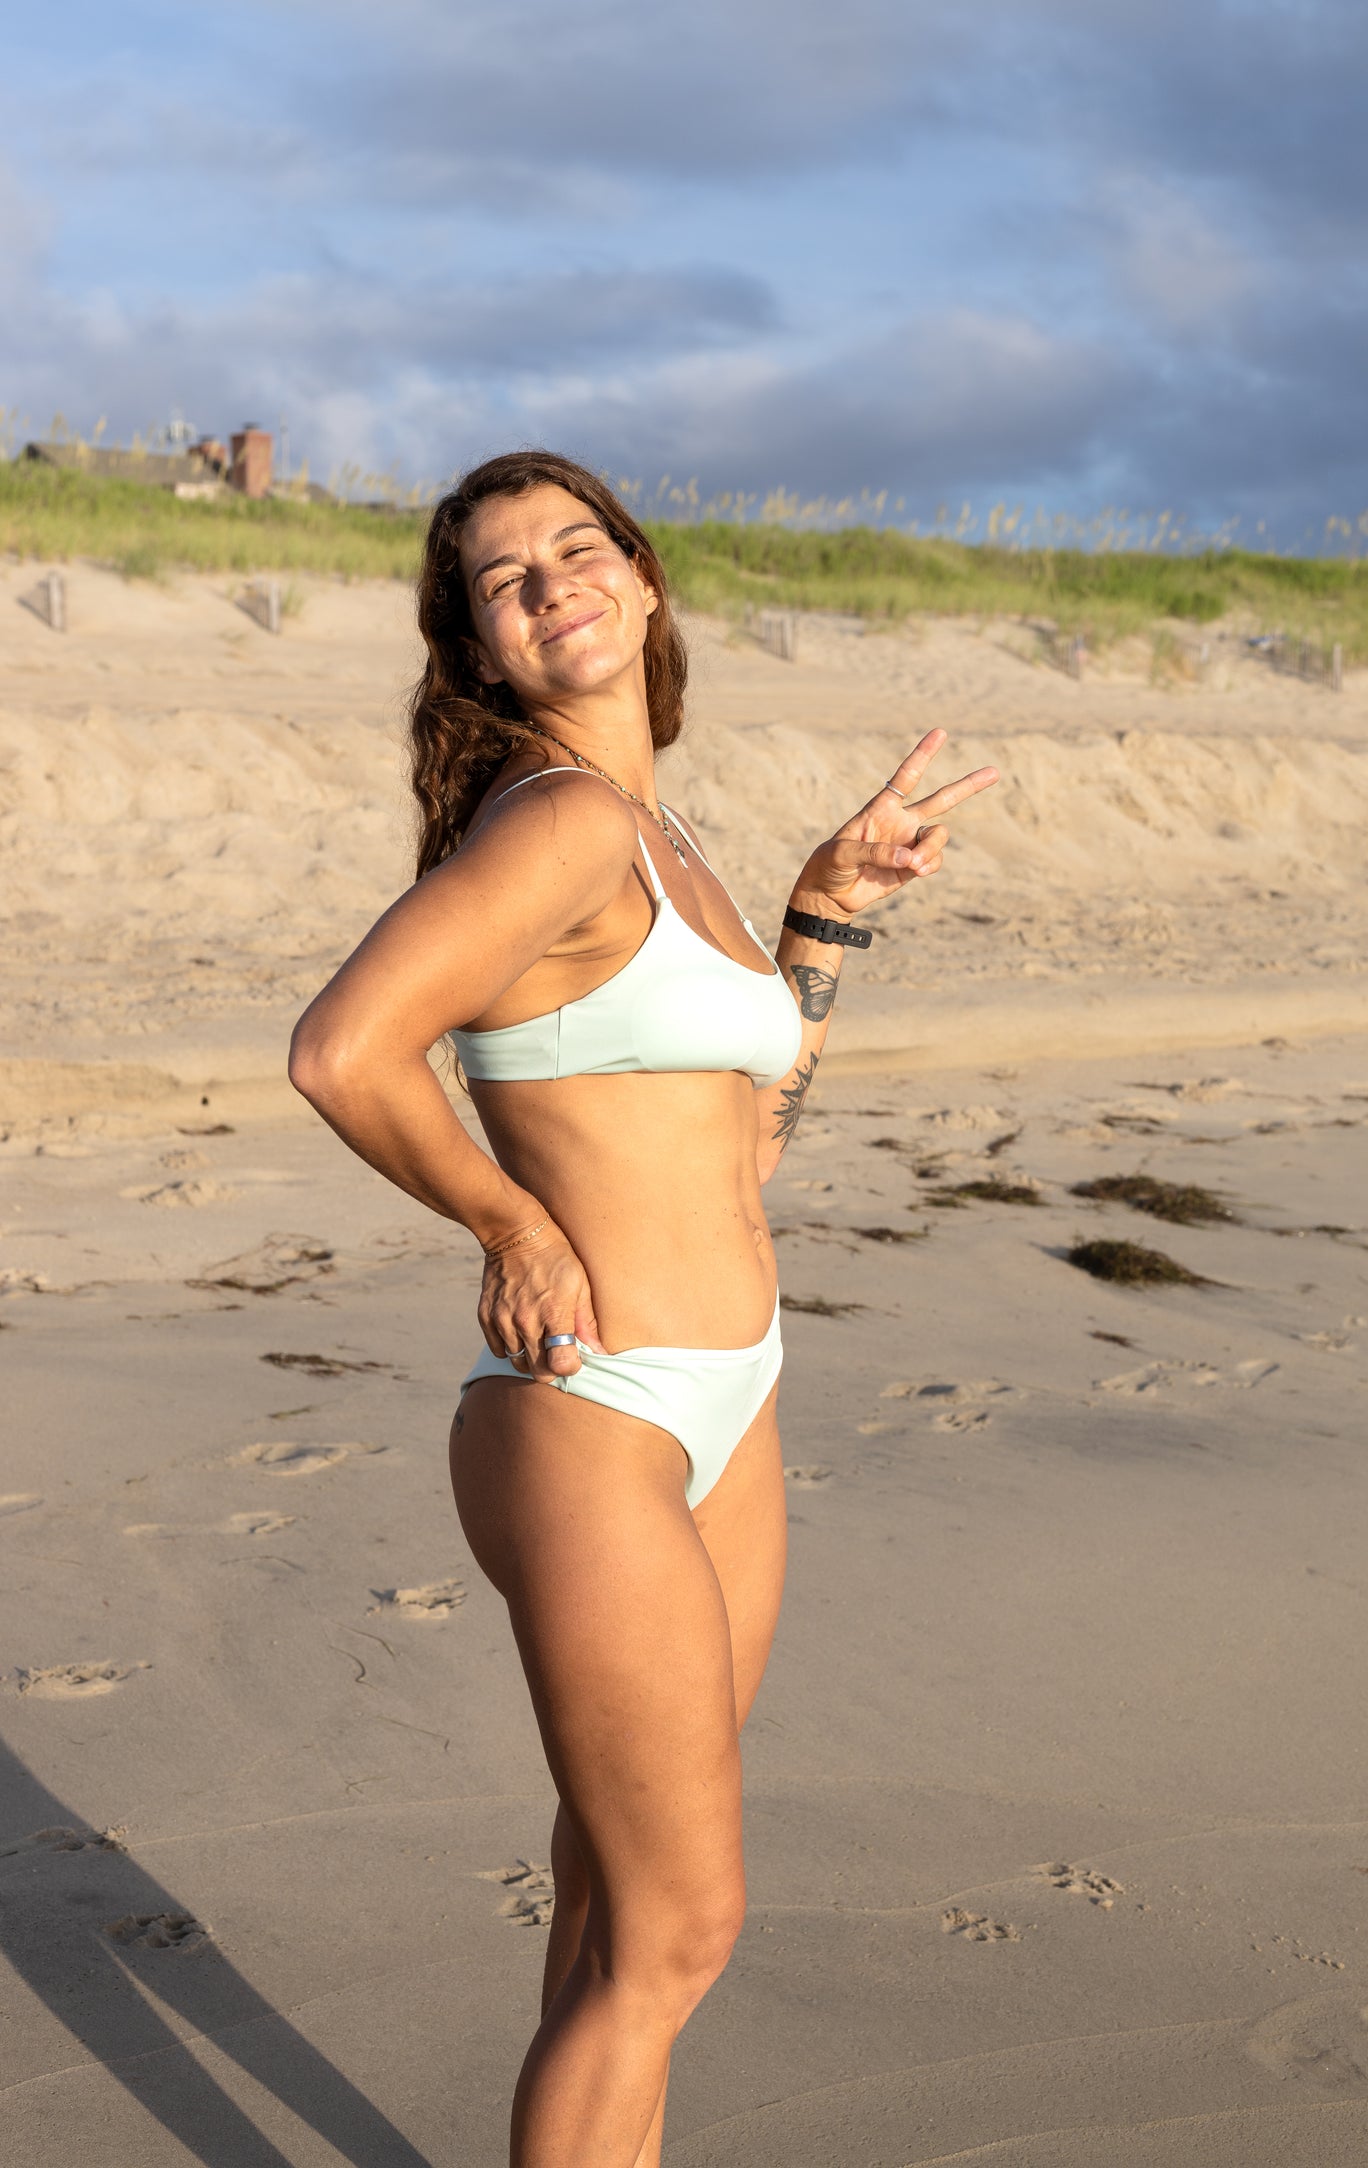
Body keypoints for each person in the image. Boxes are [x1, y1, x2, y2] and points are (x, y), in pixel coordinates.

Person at [288, 449, 997, 2167]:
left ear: (647, 578)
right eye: (501, 578)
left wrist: (823, 914)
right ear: (476, 644)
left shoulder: (661, 839)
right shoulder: (561, 821)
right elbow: (338, 1052)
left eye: (575, 548)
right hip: (592, 1414)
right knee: (680, 1934)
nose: (549, 584)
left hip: (729, 1396)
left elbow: (737, 1145)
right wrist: (503, 1215)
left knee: (621, 1917)